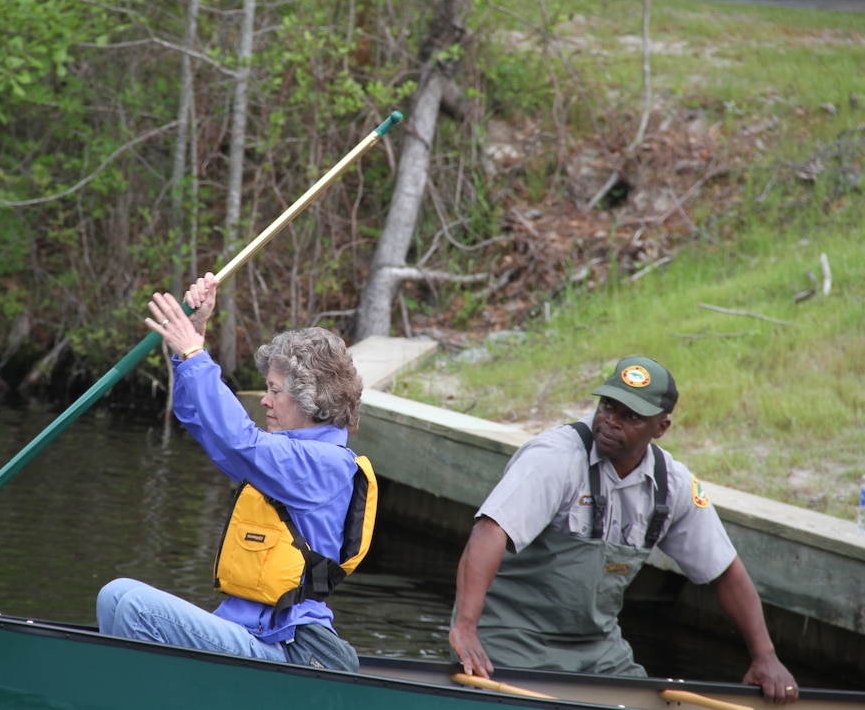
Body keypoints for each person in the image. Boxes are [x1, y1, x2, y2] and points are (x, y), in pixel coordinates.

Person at [449, 356, 799, 705]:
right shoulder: (554, 458)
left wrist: (764, 656)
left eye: (630, 416)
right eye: (607, 406)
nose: (610, 422)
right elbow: (489, 531)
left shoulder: (673, 486)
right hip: (511, 641)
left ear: (661, 428)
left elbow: (725, 572)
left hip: (599, 651)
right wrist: (465, 628)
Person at [97, 272, 376, 673]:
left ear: (311, 401)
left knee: (137, 609)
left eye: (274, 390)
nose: (264, 400)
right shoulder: (283, 456)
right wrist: (191, 343)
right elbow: (200, 420)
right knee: (115, 594)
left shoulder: (325, 464)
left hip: (283, 648)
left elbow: (237, 440)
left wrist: (196, 356)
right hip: (243, 629)